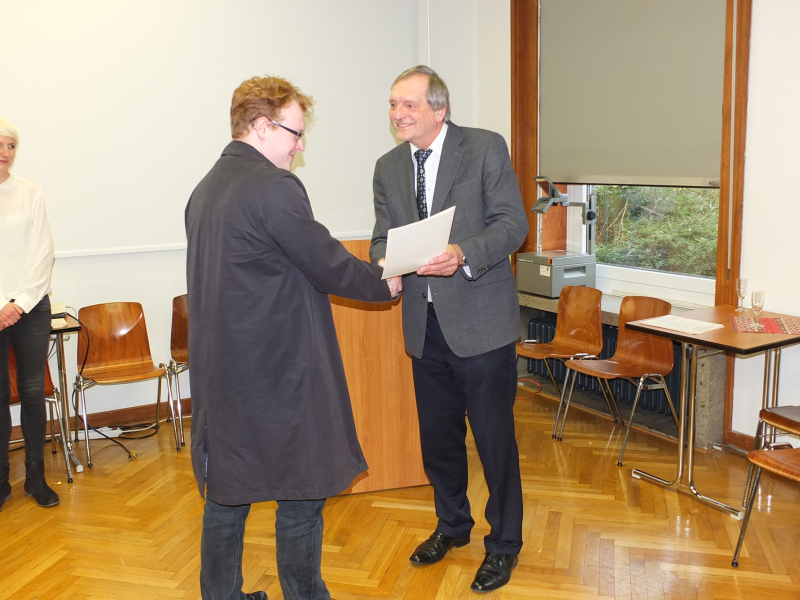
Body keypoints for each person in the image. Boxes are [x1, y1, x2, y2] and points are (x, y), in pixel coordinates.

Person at [186, 75, 398, 600]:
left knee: (228, 494)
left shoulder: (204, 190)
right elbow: (325, 261)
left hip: (224, 375)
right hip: (278, 375)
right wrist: (383, 282)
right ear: (261, 126)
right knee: (302, 494)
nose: (300, 147)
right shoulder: (274, 187)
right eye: (295, 133)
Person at [370, 66, 529, 592]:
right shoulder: (388, 167)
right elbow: (381, 238)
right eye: (393, 104)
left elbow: (513, 225)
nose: (398, 114)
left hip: (482, 325)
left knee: (493, 441)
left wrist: (462, 253)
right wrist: (385, 265)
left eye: (409, 104)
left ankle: (503, 544)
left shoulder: (483, 148)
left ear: (439, 110)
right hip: (424, 326)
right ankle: (452, 525)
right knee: (439, 440)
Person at [0, 117, 59, 510]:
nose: (5, 153)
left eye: (11, 146)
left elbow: (43, 253)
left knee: (33, 391)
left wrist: (17, 303)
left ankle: (36, 478)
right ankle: (1, 480)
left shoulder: (31, 192)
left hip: (31, 307)